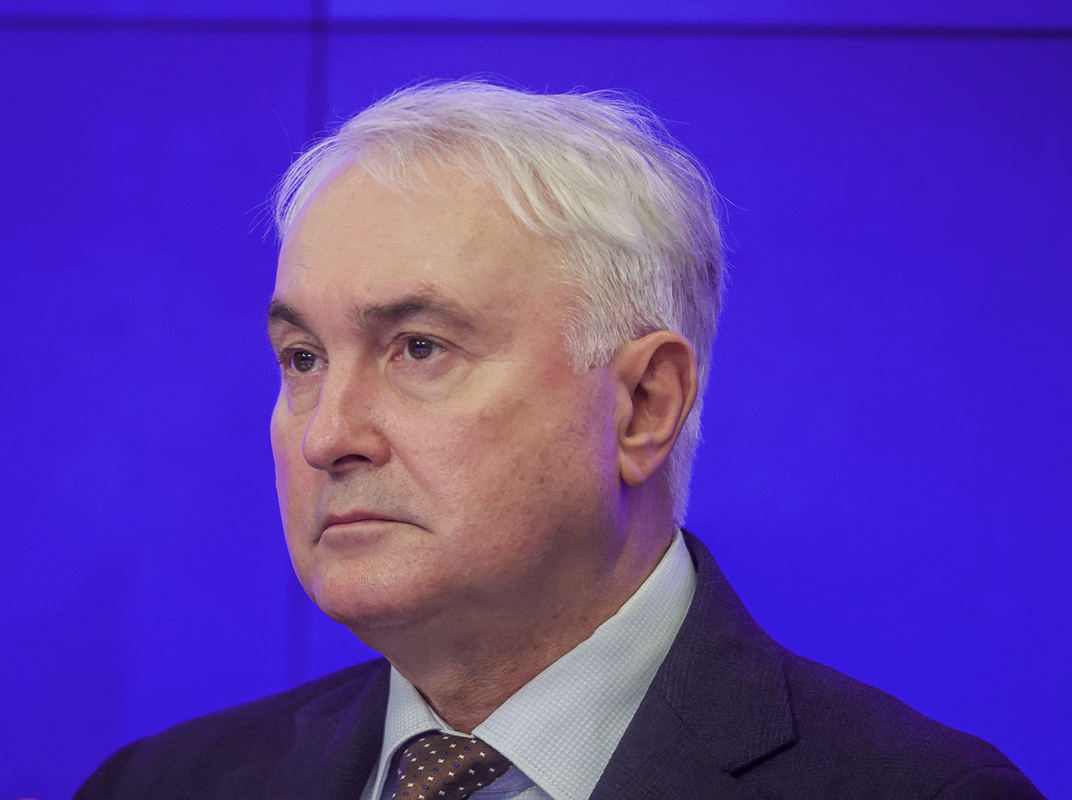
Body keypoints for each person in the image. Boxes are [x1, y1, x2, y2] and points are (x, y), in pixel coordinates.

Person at [75, 81, 1044, 800]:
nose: (328, 434)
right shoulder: (159, 784)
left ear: (643, 407)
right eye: (302, 358)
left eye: (419, 347)